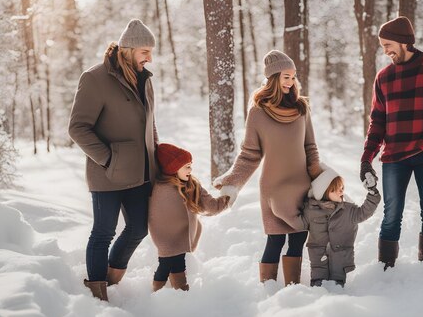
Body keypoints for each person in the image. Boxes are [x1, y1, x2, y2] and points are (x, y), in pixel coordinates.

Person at [214, 50, 321, 286]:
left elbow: (310, 147)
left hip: (301, 185)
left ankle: (293, 290)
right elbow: (249, 155)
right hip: (273, 188)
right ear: (273, 78)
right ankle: (268, 292)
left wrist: (320, 178)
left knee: (298, 238)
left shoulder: (302, 108)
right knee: (275, 239)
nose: (291, 82)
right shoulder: (258, 113)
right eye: (286, 77)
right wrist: (233, 181)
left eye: (293, 77)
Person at [68, 19, 159, 301]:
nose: (149, 57)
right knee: (103, 232)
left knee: (138, 229)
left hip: (140, 172)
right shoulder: (95, 78)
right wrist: (108, 159)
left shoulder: (145, 79)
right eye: (145, 50)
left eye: (151, 51)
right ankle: (97, 296)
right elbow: (77, 128)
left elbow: (150, 124)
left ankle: (110, 279)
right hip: (107, 174)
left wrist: (158, 155)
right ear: (128, 50)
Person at [360, 16, 423, 270]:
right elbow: (377, 121)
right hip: (393, 157)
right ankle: (385, 270)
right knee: (391, 216)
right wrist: (366, 158)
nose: (386, 51)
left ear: (404, 42)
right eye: (382, 46)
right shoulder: (384, 77)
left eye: (388, 44)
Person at [148, 143, 230, 292]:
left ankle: (177, 293)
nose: (190, 170)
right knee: (167, 264)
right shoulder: (160, 190)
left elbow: (211, 205)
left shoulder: (192, 185)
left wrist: (227, 198)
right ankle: (163, 293)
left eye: (190, 166)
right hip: (164, 237)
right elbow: (156, 216)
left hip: (181, 236)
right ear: (174, 168)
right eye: (186, 166)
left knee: (174, 262)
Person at [302, 164, 381, 287]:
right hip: (318, 256)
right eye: (336, 189)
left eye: (342, 187)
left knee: (337, 286)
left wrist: (372, 194)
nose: (341, 191)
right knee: (318, 284)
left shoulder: (348, 209)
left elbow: (364, 212)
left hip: (341, 258)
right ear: (325, 192)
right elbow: (298, 222)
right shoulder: (311, 210)